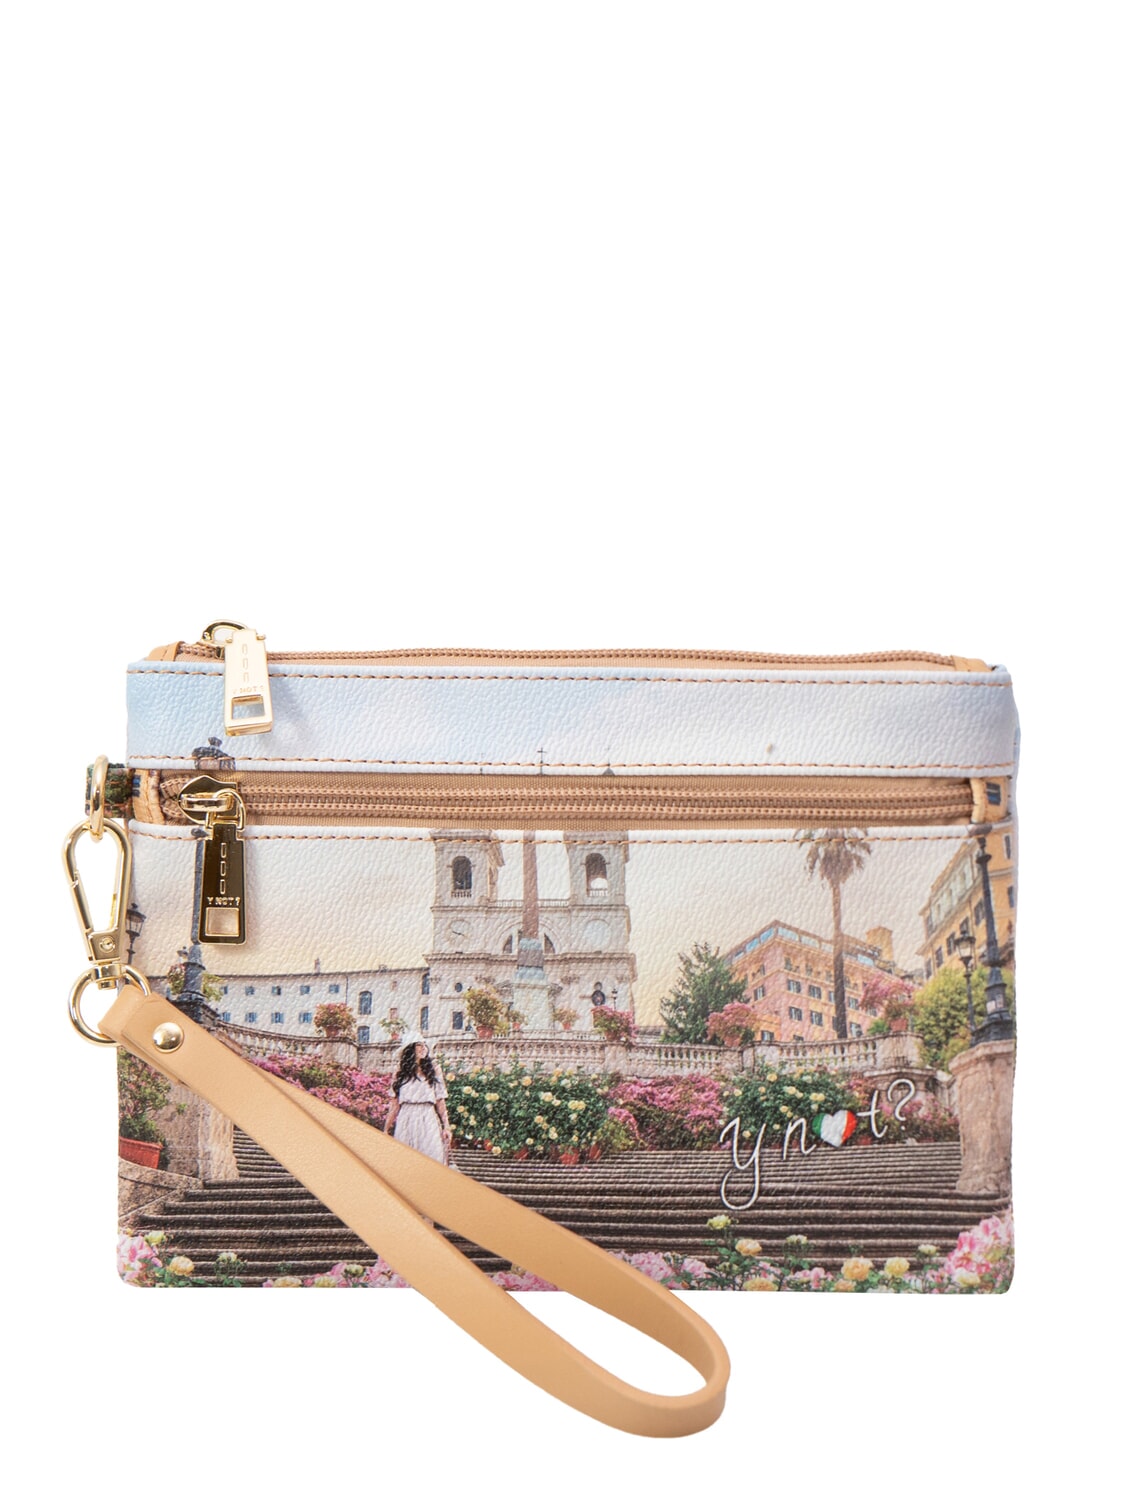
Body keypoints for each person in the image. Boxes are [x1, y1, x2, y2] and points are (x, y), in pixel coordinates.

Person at [384, 1039, 452, 1164]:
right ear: (410, 1049)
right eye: (419, 1045)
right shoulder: (400, 1072)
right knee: (405, 1160)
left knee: (432, 1156)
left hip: (427, 1116)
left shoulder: (434, 1070)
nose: (423, 1048)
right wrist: (386, 1129)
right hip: (406, 1117)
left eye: (425, 1045)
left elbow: (440, 1100)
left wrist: (446, 1126)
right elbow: (394, 1104)